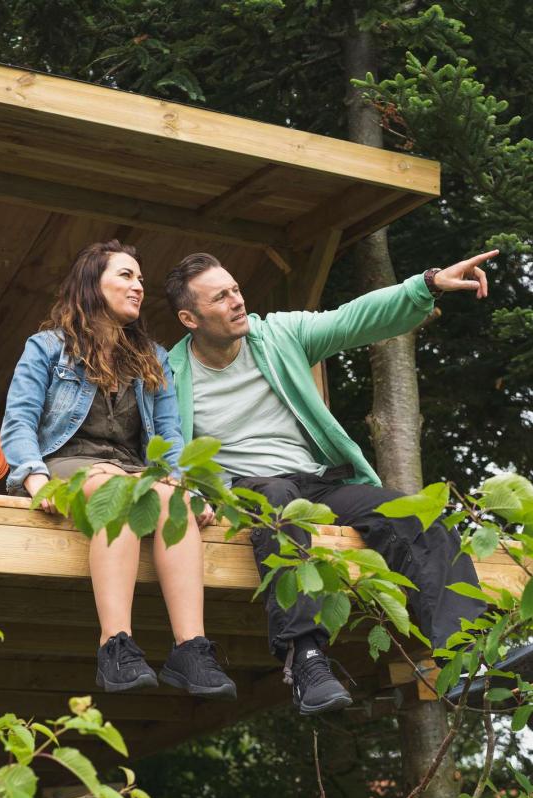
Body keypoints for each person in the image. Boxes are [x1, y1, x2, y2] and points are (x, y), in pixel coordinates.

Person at [164, 249, 533, 716]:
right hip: (247, 488)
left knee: (418, 516)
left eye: (236, 289)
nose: (237, 301)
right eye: (220, 297)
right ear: (189, 317)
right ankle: (307, 659)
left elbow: (352, 319)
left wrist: (427, 283)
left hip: (316, 482)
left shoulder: (276, 335)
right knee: (277, 500)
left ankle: (468, 659)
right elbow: (164, 445)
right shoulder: (168, 374)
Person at [1, 240, 236, 700]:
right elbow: (19, 420)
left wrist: (185, 486)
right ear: (92, 284)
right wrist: (35, 479)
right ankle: (116, 646)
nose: (138, 287)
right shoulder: (48, 347)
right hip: (70, 463)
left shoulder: (154, 357)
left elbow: (169, 440)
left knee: (177, 500)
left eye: (141, 279)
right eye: (126, 276)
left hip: (130, 469)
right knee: (118, 492)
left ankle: (191, 650)